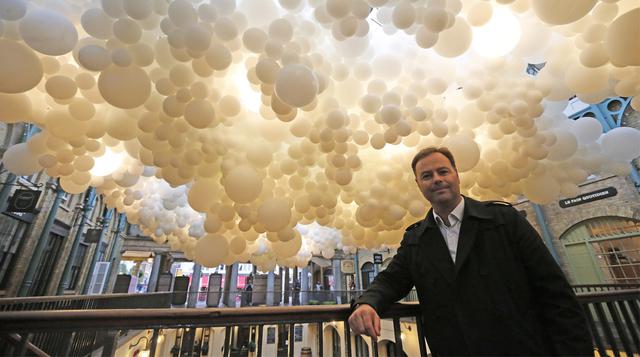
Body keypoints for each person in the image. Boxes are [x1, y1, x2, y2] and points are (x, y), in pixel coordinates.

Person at [348, 146, 593, 356]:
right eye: (427, 175)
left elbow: (554, 292)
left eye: (443, 171)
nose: (436, 179)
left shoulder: (502, 220)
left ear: (456, 174)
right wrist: (367, 303)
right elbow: (392, 279)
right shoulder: (416, 239)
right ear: (418, 185)